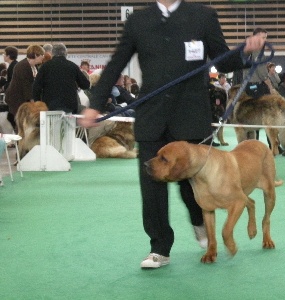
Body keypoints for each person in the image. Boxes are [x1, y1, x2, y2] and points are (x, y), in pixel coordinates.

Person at [78, 0, 265, 269]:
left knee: (192, 185)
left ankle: (199, 219)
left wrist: (245, 51)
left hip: (191, 117)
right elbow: (116, 64)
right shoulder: (138, 21)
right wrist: (94, 104)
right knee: (152, 185)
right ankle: (159, 248)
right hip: (152, 117)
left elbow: (222, 61)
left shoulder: (204, 16)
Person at [32, 43, 90, 113]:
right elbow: (86, 85)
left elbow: (36, 87)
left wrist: (38, 103)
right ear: (66, 53)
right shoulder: (72, 66)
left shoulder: (45, 67)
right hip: (70, 106)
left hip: (49, 106)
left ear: (52, 53)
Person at [5, 45, 45, 123]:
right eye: (42, 55)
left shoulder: (33, 66)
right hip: (17, 100)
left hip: (22, 99)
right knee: (21, 124)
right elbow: (26, 86)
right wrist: (34, 104)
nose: (43, 57)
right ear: (36, 55)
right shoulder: (23, 66)